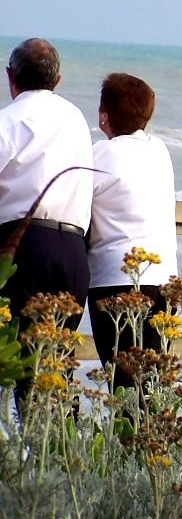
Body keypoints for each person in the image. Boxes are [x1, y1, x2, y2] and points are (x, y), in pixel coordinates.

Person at [0, 38, 94, 400]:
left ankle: (28, 454)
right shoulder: (75, 119)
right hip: (72, 251)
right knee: (57, 372)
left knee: (25, 367)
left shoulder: (10, 120)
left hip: (25, 246)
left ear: (10, 75)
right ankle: (61, 453)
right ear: (58, 79)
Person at [87, 73, 178, 390]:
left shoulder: (100, 154)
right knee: (153, 386)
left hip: (116, 280)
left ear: (103, 116)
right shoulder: (159, 150)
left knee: (124, 386)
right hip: (164, 279)